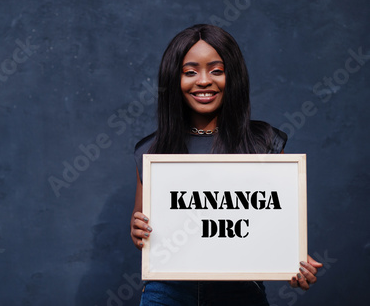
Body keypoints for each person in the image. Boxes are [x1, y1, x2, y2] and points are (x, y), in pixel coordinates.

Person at [130, 24, 322, 305]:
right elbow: (142, 227)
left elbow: (276, 224)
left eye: (217, 71)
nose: (204, 80)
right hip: (167, 292)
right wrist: (138, 231)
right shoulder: (152, 150)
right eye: (190, 71)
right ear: (173, 79)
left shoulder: (263, 142)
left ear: (233, 77)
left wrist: (292, 257)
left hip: (240, 292)